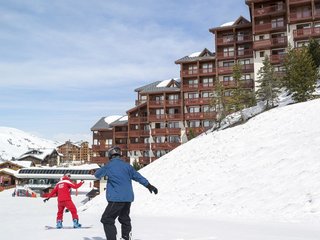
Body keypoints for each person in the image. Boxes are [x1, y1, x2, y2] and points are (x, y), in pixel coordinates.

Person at [94, 146, 158, 240]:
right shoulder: (128, 166)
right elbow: (138, 177)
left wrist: (96, 171)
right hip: (128, 198)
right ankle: (125, 237)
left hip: (116, 198)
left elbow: (97, 175)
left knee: (107, 219)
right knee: (124, 218)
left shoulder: (109, 166)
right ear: (120, 155)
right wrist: (149, 185)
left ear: (110, 155)